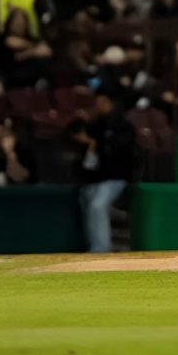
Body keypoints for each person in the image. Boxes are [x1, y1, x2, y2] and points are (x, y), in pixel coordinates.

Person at [72, 91, 136, 253]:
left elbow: (118, 152)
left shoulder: (123, 127)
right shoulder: (95, 126)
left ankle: (101, 249)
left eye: (103, 102)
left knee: (97, 204)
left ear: (111, 104)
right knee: (86, 198)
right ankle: (94, 244)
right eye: (97, 102)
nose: (99, 106)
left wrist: (97, 145)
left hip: (117, 177)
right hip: (97, 179)